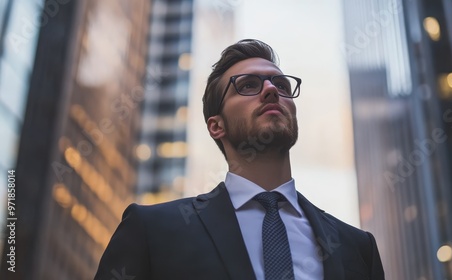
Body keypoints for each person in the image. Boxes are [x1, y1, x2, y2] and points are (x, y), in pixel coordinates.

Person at [94, 39, 385, 280]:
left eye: (281, 85)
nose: (272, 90)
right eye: (247, 85)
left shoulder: (358, 247)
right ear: (216, 126)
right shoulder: (152, 230)